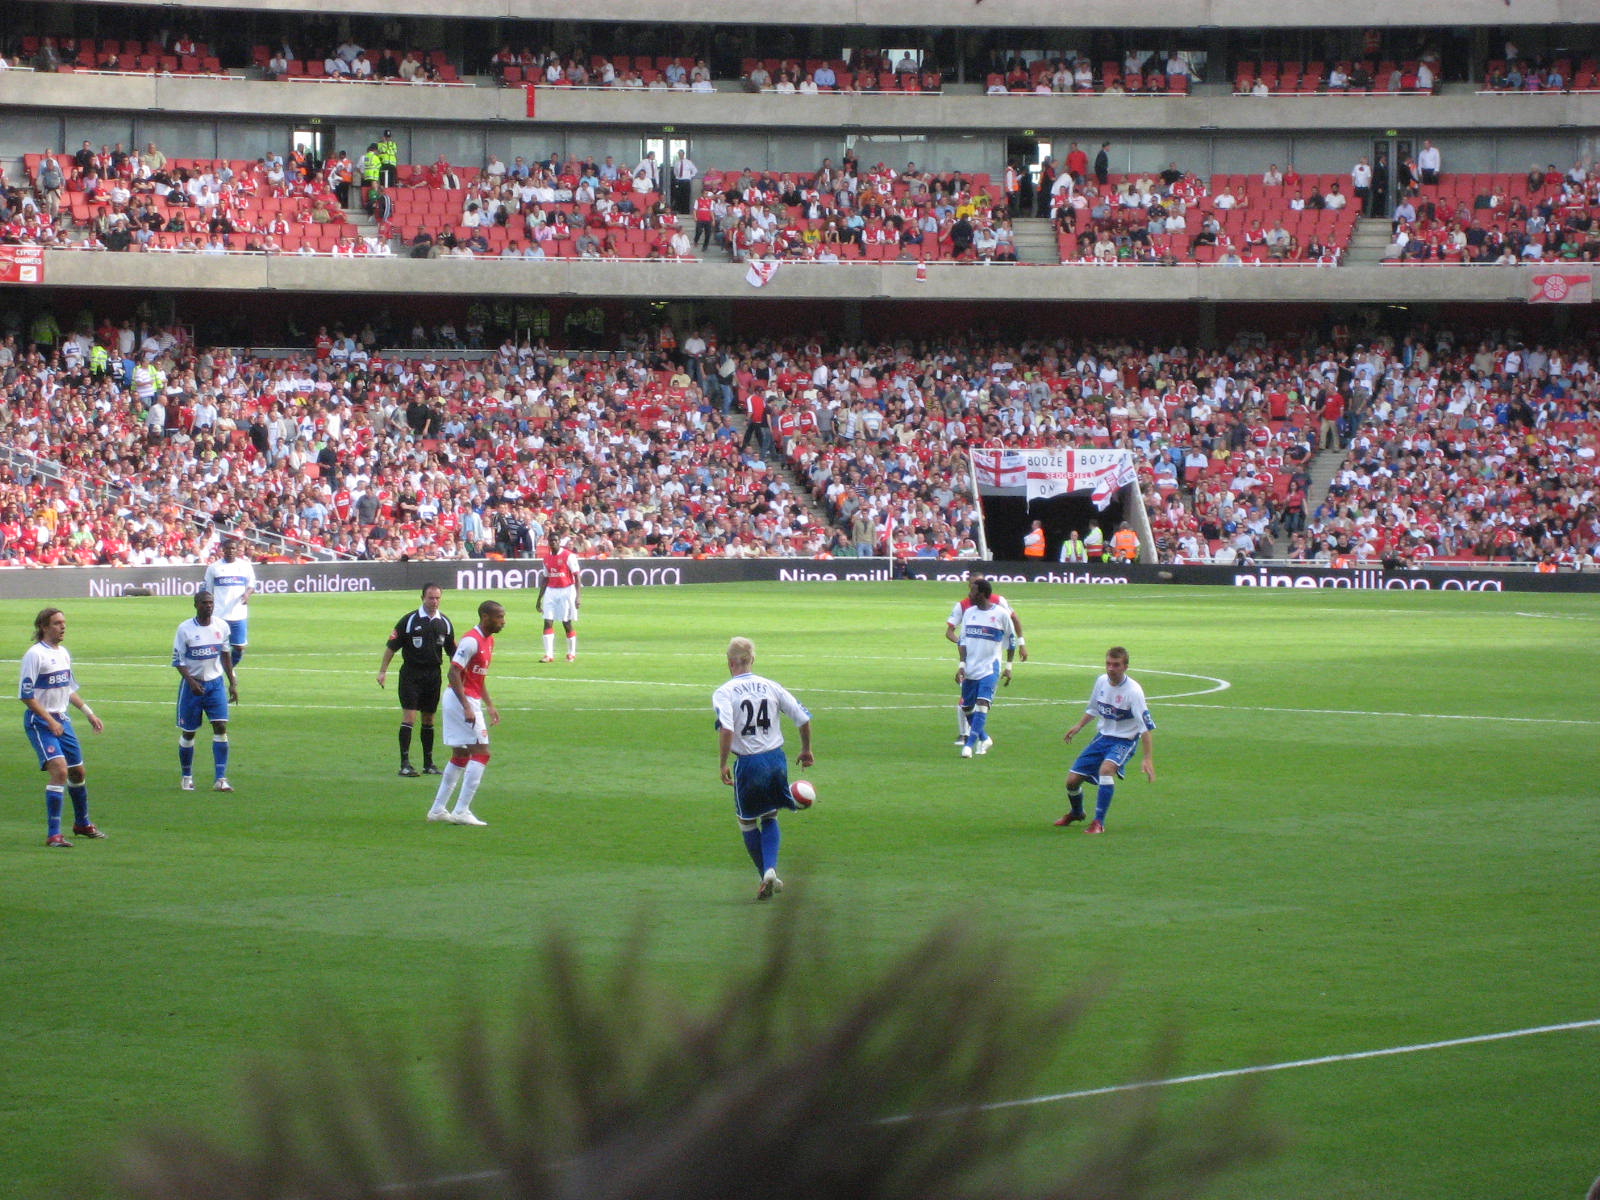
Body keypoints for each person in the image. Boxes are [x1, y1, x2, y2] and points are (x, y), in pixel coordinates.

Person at [713, 636, 815, 901]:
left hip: (748, 763)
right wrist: (806, 749)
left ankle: (766, 873)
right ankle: (769, 872)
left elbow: (727, 728)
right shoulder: (771, 686)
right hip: (776, 760)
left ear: (729, 662)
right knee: (770, 816)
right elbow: (803, 718)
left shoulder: (724, 692)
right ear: (753, 660)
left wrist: (723, 763)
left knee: (747, 822)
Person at [20, 608, 106, 847]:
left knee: (78, 772)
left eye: (64, 623)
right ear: (44, 627)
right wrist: (49, 720)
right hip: (41, 723)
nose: (63, 627)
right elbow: (26, 696)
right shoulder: (35, 655)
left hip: (61, 721)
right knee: (60, 771)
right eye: (57, 623)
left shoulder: (63, 653)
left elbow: (68, 689)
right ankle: (54, 834)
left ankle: (82, 824)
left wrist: (89, 713)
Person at [1055, 646, 1155, 834]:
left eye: (1116, 665)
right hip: (1102, 737)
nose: (1111, 668)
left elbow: (1146, 728)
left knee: (1106, 770)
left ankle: (1098, 822)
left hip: (1124, 741)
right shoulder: (1101, 681)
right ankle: (1077, 812)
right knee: (1072, 781)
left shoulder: (1133, 691)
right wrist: (1079, 726)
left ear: (1125, 666)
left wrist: (1147, 758)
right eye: (1108, 664)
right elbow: (1093, 708)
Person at [427, 600, 506, 826]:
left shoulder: (489, 641)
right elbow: (453, 673)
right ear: (485, 617)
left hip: (467, 699)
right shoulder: (471, 640)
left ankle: (437, 809)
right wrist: (467, 706)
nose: (503, 622)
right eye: (499, 617)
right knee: (482, 751)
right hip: (461, 700)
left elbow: (477, 677)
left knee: (461, 754)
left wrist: (489, 705)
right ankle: (462, 810)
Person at [377, 583, 456, 777]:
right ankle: (405, 763)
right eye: (431, 598)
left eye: (438, 598)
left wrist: (458, 676)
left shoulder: (444, 622)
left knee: (429, 718)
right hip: (411, 675)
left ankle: (428, 763)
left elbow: (453, 652)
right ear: (422, 598)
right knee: (410, 717)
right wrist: (383, 671)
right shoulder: (409, 620)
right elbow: (391, 647)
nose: (434, 601)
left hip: (433, 675)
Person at [945, 571, 1025, 745]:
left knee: (981, 701)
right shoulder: (963, 607)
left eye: (977, 585)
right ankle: (968, 735)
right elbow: (950, 631)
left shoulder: (999, 602)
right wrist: (965, 643)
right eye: (972, 585)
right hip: (970, 658)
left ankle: (970, 740)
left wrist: (1021, 644)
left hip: (990, 659)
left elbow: (1014, 621)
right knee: (966, 702)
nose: (972, 590)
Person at [173, 589, 239, 793]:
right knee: (189, 732)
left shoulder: (221, 626)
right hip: (192, 687)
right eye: (204, 603)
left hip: (215, 684)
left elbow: (226, 655)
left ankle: (221, 778)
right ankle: (186, 777)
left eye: (210, 602)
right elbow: (178, 661)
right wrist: (191, 682)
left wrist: (232, 682)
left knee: (220, 726)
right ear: (196, 605)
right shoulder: (184, 629)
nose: (208, 606)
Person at [955, 580, 1014, 759]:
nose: (969, 594)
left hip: (990, 668)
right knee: (966, 707)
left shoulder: (1001, 614)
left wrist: (1009, 667)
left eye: (973, 591)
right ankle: (984, 737)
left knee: (982, 705)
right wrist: (962, 665)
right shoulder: (969, 613)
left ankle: (969, 745)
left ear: (982, 593)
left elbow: (1011, 641)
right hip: (971, 667)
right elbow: (963, 640)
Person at [203, 535, 256, 668]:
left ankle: (226, 669)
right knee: (217, 647)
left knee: (239, 647)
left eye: (233, 548)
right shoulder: (214, 568)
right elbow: (208, 591)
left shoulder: (245, 566)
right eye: (228, 548)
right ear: (223, 550)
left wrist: (247, 594)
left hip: (238, 614)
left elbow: (252, 585)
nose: (231, 551)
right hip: (219, 615)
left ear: (237, 550)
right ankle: (220, 671)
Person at [537, 535, 581, 662]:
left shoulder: (568, 556)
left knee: (566, 622)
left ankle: (571, 653)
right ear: (548, 543)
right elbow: (545, 578)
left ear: (559, 542)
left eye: (556, 540)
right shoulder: (546, 559)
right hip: (551, 591)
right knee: (547, 621)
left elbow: (577, 577)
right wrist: (539, 598)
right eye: (551, 541)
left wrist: (578, 597)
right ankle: (549, 655)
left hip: (566, 590)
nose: (553, 542)